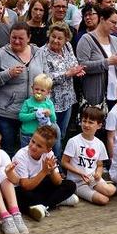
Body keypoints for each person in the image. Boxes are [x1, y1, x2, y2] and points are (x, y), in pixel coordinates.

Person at [29, 23, 85, 155]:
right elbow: (45, 77)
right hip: (51, 101)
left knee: (63, 132)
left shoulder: (68, 47)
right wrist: (67, 74)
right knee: (52, 133)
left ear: (66, 39)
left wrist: (77, 70)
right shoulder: (42, 53)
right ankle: (54, 161)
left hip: (68, 98)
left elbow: (73, 62)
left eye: (60, 38)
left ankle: (56, 158)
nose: (55, 40)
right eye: (53, 36)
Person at [0, 22, 39, 157]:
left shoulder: (38, 52)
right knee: (7, 150)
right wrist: (7, 74)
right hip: (5, 113)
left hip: (30, 113)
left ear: (29, 38)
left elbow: (45, 75)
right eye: (13, 37)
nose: (16, 41)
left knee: (27, 151)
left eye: (21, 38)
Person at [10, 126, 78, 222]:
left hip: (39, 187)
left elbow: (58, 182)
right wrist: (44, 171)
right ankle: (57, 201)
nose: (33, 146)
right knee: (21, 196)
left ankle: (43, 206)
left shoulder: (49, 154)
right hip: (24, 188)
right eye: (32, 141)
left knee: (70, 185)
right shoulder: (21, 155)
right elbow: (25, 186)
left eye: (39, 146)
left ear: (48, 150)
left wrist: (52, 170)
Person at [62, 107, 117, 205]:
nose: (86, 125)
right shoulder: (73, 141)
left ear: (99, 125)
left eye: (91, 122)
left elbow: (100, 165)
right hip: (77, 182)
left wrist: (98, 174)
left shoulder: (99, 144)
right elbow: (64, 162)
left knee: (109, 192)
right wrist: (80, 173)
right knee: (103, 200)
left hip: (92, 179)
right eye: (84, 121)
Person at [77, 7, 117, 109]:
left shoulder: (115, 40)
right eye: (113, 22)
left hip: (116, 93)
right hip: (96, 94)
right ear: (102, 19)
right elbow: (82, 66)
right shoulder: (86, 39)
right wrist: (107, 62)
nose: (115, 26)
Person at [19, 74, 57, 148]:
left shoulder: (49, 104)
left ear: (48, 92)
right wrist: (34, 115)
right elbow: (21, 117)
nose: (39, 92)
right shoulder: (28, 102)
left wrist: (50, 114)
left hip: (42, 136)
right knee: (25, 153)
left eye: (42, 90)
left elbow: (53, 120)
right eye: (36, 89)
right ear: (32, 88)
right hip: (27, 134)